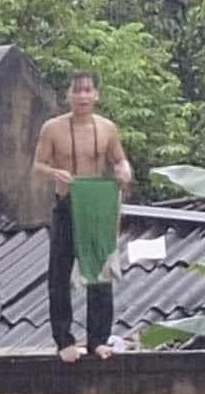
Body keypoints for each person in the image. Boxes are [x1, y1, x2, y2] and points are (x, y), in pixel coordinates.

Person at [31, 70, 132, 363]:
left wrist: (124, 170)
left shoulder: (107, 128)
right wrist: (54, 172)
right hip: (66, 203)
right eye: (77, 91)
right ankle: (64, 340)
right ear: (68, 96)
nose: (83, 96)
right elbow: (37, 166)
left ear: (96, 95)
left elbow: (120, 159)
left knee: (100, 272)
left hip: (97, 208)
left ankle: (98, 339)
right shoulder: (52, 128)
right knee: (59, 274)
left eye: (88, 91)